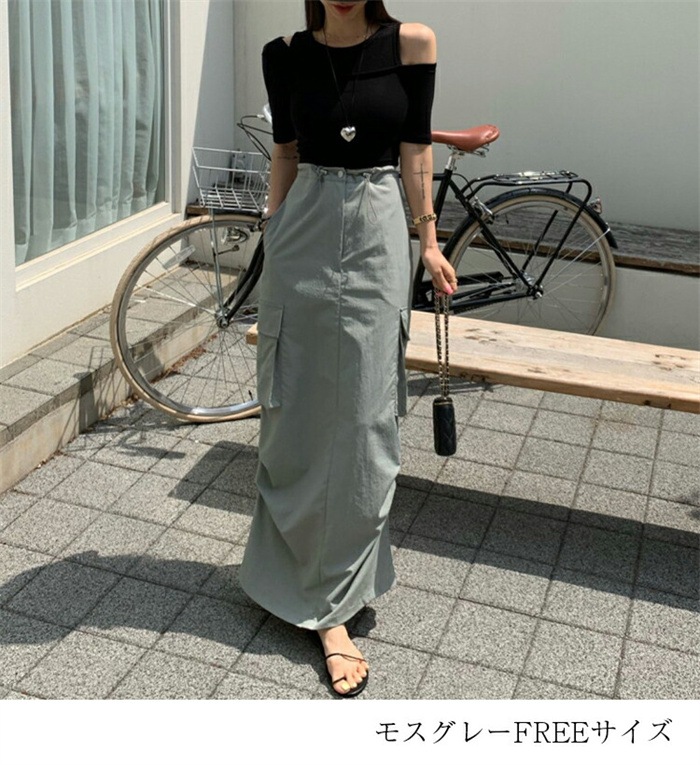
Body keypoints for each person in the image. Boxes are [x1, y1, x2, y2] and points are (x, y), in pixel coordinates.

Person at [238, 0, 457, 698]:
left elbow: (415, 148)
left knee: (365, 421)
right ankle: (296, 586)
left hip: (377, 229)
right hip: (301, 233)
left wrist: (428, 241)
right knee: (294, 411)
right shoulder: (284, 54)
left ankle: (334, 597)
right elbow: (287, 151)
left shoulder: (412, 43)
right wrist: (273, 227)